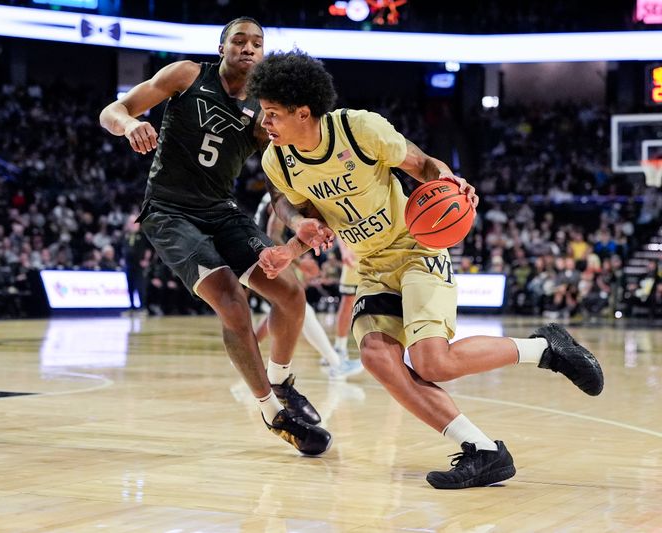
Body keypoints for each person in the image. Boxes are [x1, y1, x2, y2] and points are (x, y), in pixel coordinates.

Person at [247, 50, 604, 488]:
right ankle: (483, 450)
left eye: (272, 114)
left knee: (432, 362)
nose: (263, 123)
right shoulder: (277, 159)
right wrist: (295, 239)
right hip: (373, 264)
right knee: (378, 356)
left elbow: (423, 164)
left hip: (416, 247)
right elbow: (289, 205)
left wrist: (449, 181)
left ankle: (543, 348)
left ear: (304, 112)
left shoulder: (358, 129)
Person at [99, 19, 331, 455]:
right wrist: (130, 126)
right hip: (169, 211)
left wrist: (297, 222)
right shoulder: (186, 75)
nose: (248, 47)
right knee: (231, 300)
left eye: (257, 43)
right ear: (222, 45)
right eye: (239, 40)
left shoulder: (265, 116)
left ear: (263, 54)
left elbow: (279, 191)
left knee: (291, 294)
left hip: (221, 210)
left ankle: (282, 383)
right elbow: (112, 111)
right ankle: (269, 411)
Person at [253, 192, 364, 380]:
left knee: (284, 306)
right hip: (263, 254)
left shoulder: (282, 194)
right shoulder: (284, 195)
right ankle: (336, 362)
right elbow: (273, 234)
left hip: (262, 251)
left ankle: (249, 350)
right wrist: (299, 262)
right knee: (300, 306)